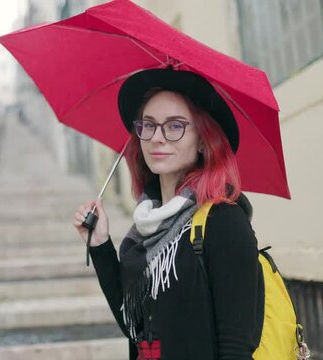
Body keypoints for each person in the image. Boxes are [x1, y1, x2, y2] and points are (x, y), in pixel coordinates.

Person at [73, 68, 262, 360]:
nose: (157, 138)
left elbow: (236, 348)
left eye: (175, 126)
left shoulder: (223, 221)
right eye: (148, 125)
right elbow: (134, 326)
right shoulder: (143, 232)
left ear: (203, 140)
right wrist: (100, 245)